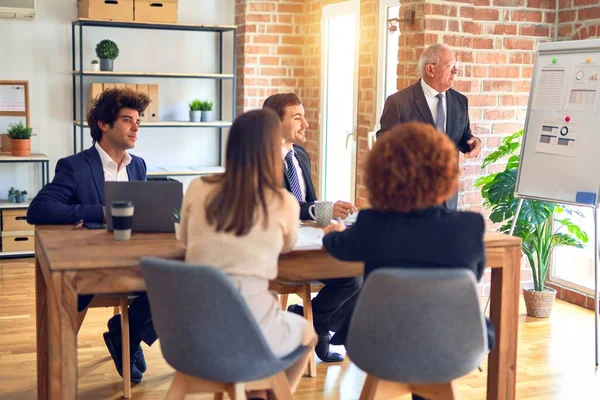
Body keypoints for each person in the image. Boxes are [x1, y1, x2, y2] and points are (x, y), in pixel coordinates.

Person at [322, 122, 494, 400]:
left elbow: (337, 248)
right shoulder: (469, 226)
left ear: (381, 175)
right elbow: (469, 279)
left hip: (379, 346)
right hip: (454, 346)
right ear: (445, 172)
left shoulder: (372, 224)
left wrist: (333, 233)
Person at [179, 109, 316, 399]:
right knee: (308, 332)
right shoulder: (283, 202)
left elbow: (184, 239)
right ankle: (272, 393)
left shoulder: (197, 188)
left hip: (194, 331)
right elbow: (289, 245)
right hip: (254, 330)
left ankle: (259, 391)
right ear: (270, 149)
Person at [27, 88, 154, 383]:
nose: (135, 127)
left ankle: (127, 334)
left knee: (178, 276)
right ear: (103, 125)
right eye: (126, 120)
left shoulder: (139, 166)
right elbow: (39, 209)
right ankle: (125, 335)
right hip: (93, 264)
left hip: (137, 258)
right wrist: (101, 212)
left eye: (138, 121)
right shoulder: (75, 167)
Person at [263, 93, 361, 363]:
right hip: (281, 251)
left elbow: (306, 205)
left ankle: (306, 319)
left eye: (304, 116)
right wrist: (324, 210)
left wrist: (331, 214)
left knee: (361, 269)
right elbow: (281, 207)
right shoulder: (261, 160)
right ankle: (318, 328)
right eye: (297, 117)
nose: (306, 123)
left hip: (309, 243)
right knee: (351, 279)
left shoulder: (300, 155)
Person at [376, 43, 482, 210]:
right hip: (410, 198)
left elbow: (463, 136)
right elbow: (385, 145)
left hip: (448, 198)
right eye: (450, 66)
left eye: (455, 66)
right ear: (430, 69)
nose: (455, 71)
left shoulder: (461, 101)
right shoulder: (398, 102)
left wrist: (473, 142)